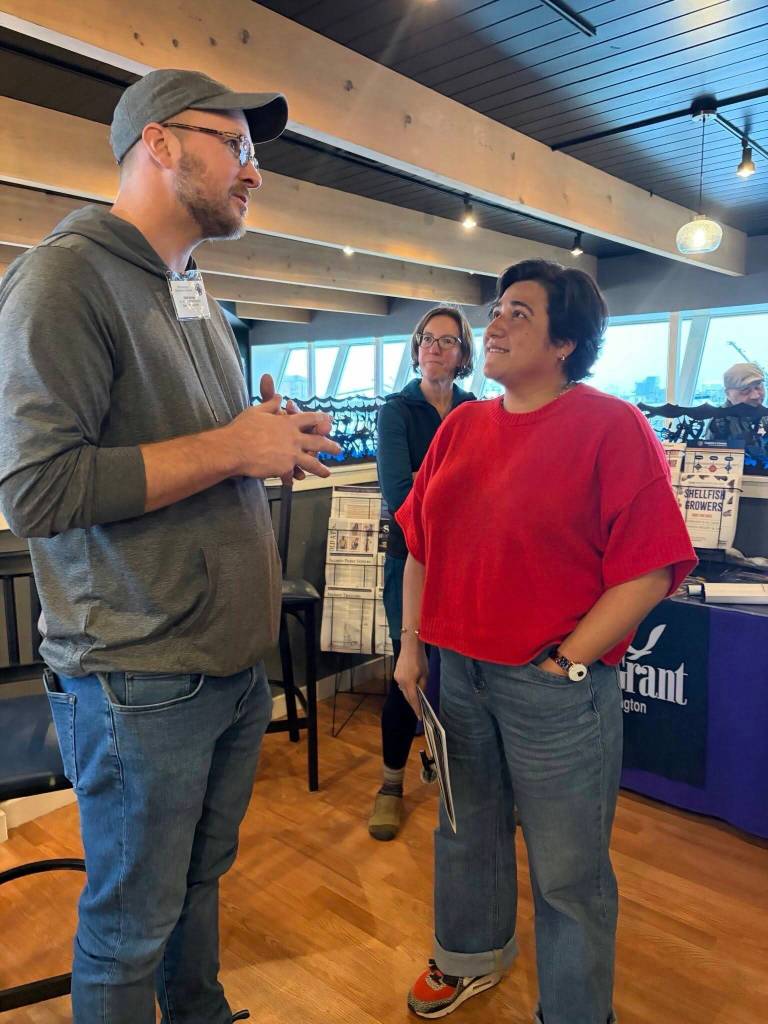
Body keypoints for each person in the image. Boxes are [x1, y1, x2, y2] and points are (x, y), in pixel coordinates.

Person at [0, 69, 340, 1024]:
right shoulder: (63, 279)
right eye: (234, 144)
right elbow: (37, 488)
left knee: (196, 884)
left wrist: (260, 436)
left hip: (225, 662)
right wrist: (233, 446)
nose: (253, 170)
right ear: (157, 143)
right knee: (127, 927)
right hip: (139, 676)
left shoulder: (189, 285)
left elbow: (186, 449)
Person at [394, 260, 697, 1023]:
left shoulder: (611, 425)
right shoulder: (461, 425)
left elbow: (653, 568)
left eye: (519, 313)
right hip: (458, 673)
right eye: (496, 309)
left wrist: (568, 661)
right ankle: (470, 955)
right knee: (466, 829)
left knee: (568, 869)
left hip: (550, 684)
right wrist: (410, 644)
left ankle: (573, 1009)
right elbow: (421, 544)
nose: (493, 325)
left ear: (565, 342)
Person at [368, 306, 475, 841]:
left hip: (468, 563)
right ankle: (391, 785)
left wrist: (427, 477)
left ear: (462, 354)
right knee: (408, 672)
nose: (435, 348)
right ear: (416, 350)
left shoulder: (477, 411)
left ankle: (453, 769)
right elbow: (397, 494)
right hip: (407, 559)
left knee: (461, 675)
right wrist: (445, 488)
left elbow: (489, 491)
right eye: (427, 339)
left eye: (447, 341)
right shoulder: (396, 411)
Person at [705, 361, 767, 443]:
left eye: (758, 387)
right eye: (745, 390)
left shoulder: (762, 415)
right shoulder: (720, 424)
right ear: (728, 394)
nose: (756, 396)